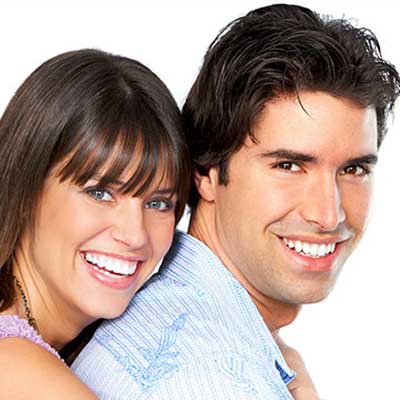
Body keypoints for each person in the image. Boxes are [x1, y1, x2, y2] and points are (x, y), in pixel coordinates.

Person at [72, 4, 400, 400]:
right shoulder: (213, 380)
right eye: (289, 165)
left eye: (354, 170)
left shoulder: (191, 328)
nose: (329, 214)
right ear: (206, 173)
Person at [0, 48, 190, 399]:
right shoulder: (16, 368)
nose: (134, 234)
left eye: (158, 203)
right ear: (25, 187)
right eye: (100, 193)